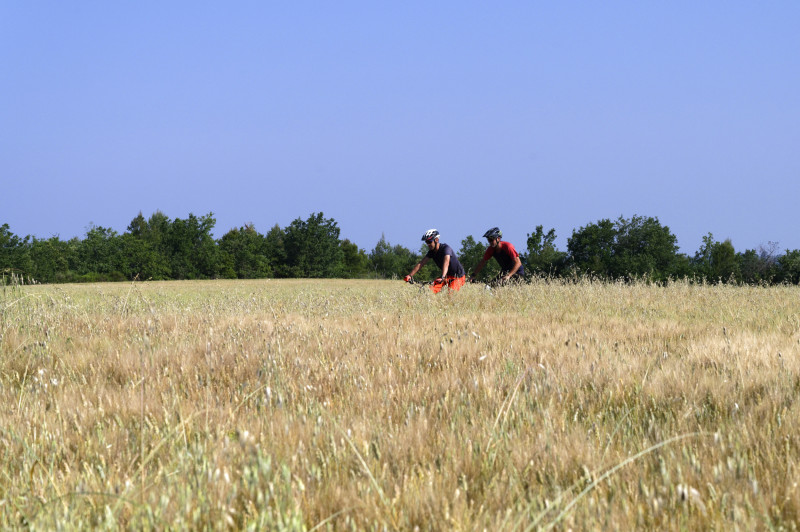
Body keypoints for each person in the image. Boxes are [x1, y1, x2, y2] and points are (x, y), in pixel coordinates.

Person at [404, 229, 466, 293]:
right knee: (430, 291)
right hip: (446, 276)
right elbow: (421, 263)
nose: (428, 244)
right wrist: (410, 275)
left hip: (458, 276)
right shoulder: (431, 252)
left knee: (450, 294)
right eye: (426, 242)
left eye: (429, 241)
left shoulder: (446, 249)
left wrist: (442, 277)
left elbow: (446, 262)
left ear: (436, 240)